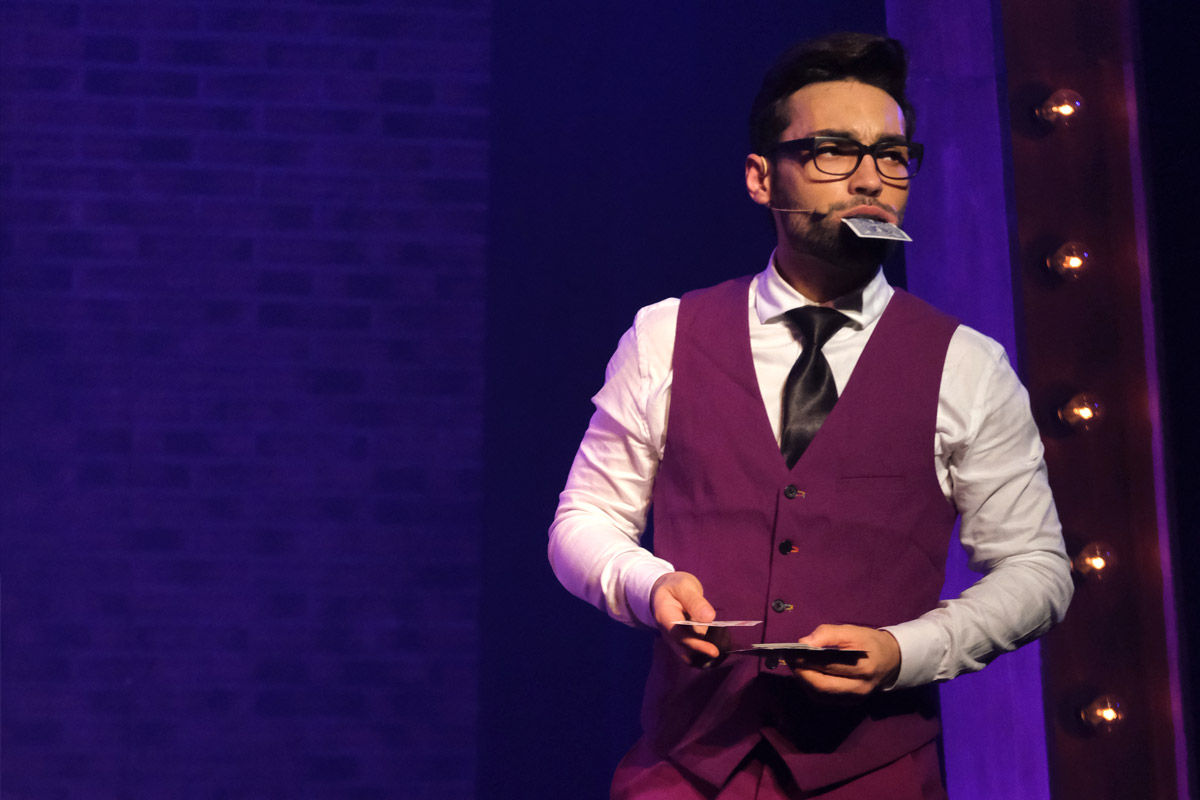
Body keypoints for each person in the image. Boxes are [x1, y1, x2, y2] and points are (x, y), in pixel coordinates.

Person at [548, 32, 1073, 800]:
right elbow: (584, 519)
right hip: (686, 767)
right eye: (833, 152)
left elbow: (1037, 570)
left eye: (891, 156)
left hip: (877, 776)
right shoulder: (666, 335)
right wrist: (648, 585)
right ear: (762, 177)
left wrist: (906, 650)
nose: (869, 179)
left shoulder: (968, 364)